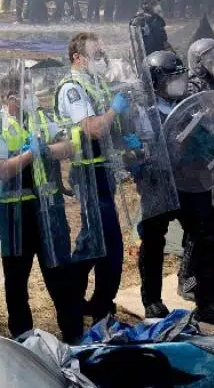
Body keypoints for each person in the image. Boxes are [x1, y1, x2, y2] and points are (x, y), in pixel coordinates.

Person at [0, 69, 86, 339]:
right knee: (17, 283)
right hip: (14, 215)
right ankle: (23, 338)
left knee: (60, 276)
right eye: (23, 91)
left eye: (30, 89)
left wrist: (49, 150)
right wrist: (31, 154)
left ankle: (74, 334)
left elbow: (70, 146)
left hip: (48, 210)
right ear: (9, 97)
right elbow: (2, 170)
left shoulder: (41, 117)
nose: (30, 96)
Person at [136, 51, 214, 325]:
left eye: (179, 77)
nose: (178, 83)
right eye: (171, 79)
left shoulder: (190, 105)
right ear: (154, 81)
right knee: (154, 240)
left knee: (206, 237)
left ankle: (206, 302)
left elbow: (205, 138)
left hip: (192, 181)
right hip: (158, 183)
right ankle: (152, 300)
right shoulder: (142, 111)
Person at [55, 32, 127, 323]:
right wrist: (114, 110)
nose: (101, 59)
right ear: (78, 58)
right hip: (86, 171)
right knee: (95, 240)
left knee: (107, 242)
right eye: (96, 55)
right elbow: (93, 128)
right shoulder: (72, 88)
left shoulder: (96, 84)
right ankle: (72, 300)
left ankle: (101, 304)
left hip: (104, 170)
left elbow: (110, 130)